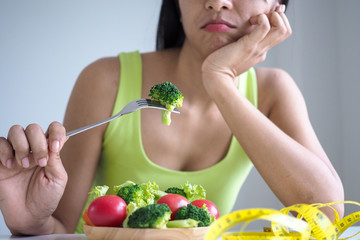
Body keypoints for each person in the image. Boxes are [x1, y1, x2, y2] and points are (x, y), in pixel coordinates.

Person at [0, 0, 344, 235]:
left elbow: (328, 212)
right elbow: (60, 228)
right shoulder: (106, 79)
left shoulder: (274, 92)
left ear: (275, 7)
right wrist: (33, 223)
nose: (217, 1)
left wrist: (221, 82)